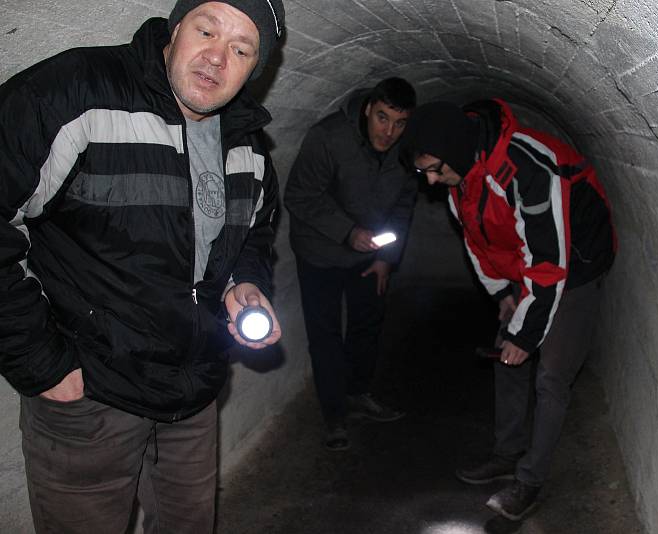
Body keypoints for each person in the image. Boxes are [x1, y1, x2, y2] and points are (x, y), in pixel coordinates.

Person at [0, 1, 285, 532]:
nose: (217, 58)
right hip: (91, 398)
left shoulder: (248, 143)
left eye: (242, 50)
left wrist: (246, 282)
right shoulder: (73, 93)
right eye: (206, 31)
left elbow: (257, 230)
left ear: (256, 68)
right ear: (175, 30)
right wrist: (40, 362)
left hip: (194, 392)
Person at [403, 99, 617, 521]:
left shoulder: (527, 168)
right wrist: (502, 292)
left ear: (455, 149)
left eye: (433, 168)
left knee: (552, 375)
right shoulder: (460, 178)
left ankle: (530, 480)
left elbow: (550, 263)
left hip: (575, 266)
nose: (429, 181)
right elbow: (476, 239)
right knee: (506, 355)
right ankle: (508, 451)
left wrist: (526, 333)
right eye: (421, 171)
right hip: (529, 264)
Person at [284, 77, 417, 451]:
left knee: (367, 324)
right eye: (382, 118)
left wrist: (387, 259)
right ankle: (335, 415)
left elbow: (404, 206)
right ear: (367, 109)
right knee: (325, 335)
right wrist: (346, 232)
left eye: (399, 123)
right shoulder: (328, 137)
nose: (389, 131)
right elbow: (299, 195)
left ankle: (359, 394)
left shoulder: (405, 149)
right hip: (319, 252)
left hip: (368, 254)